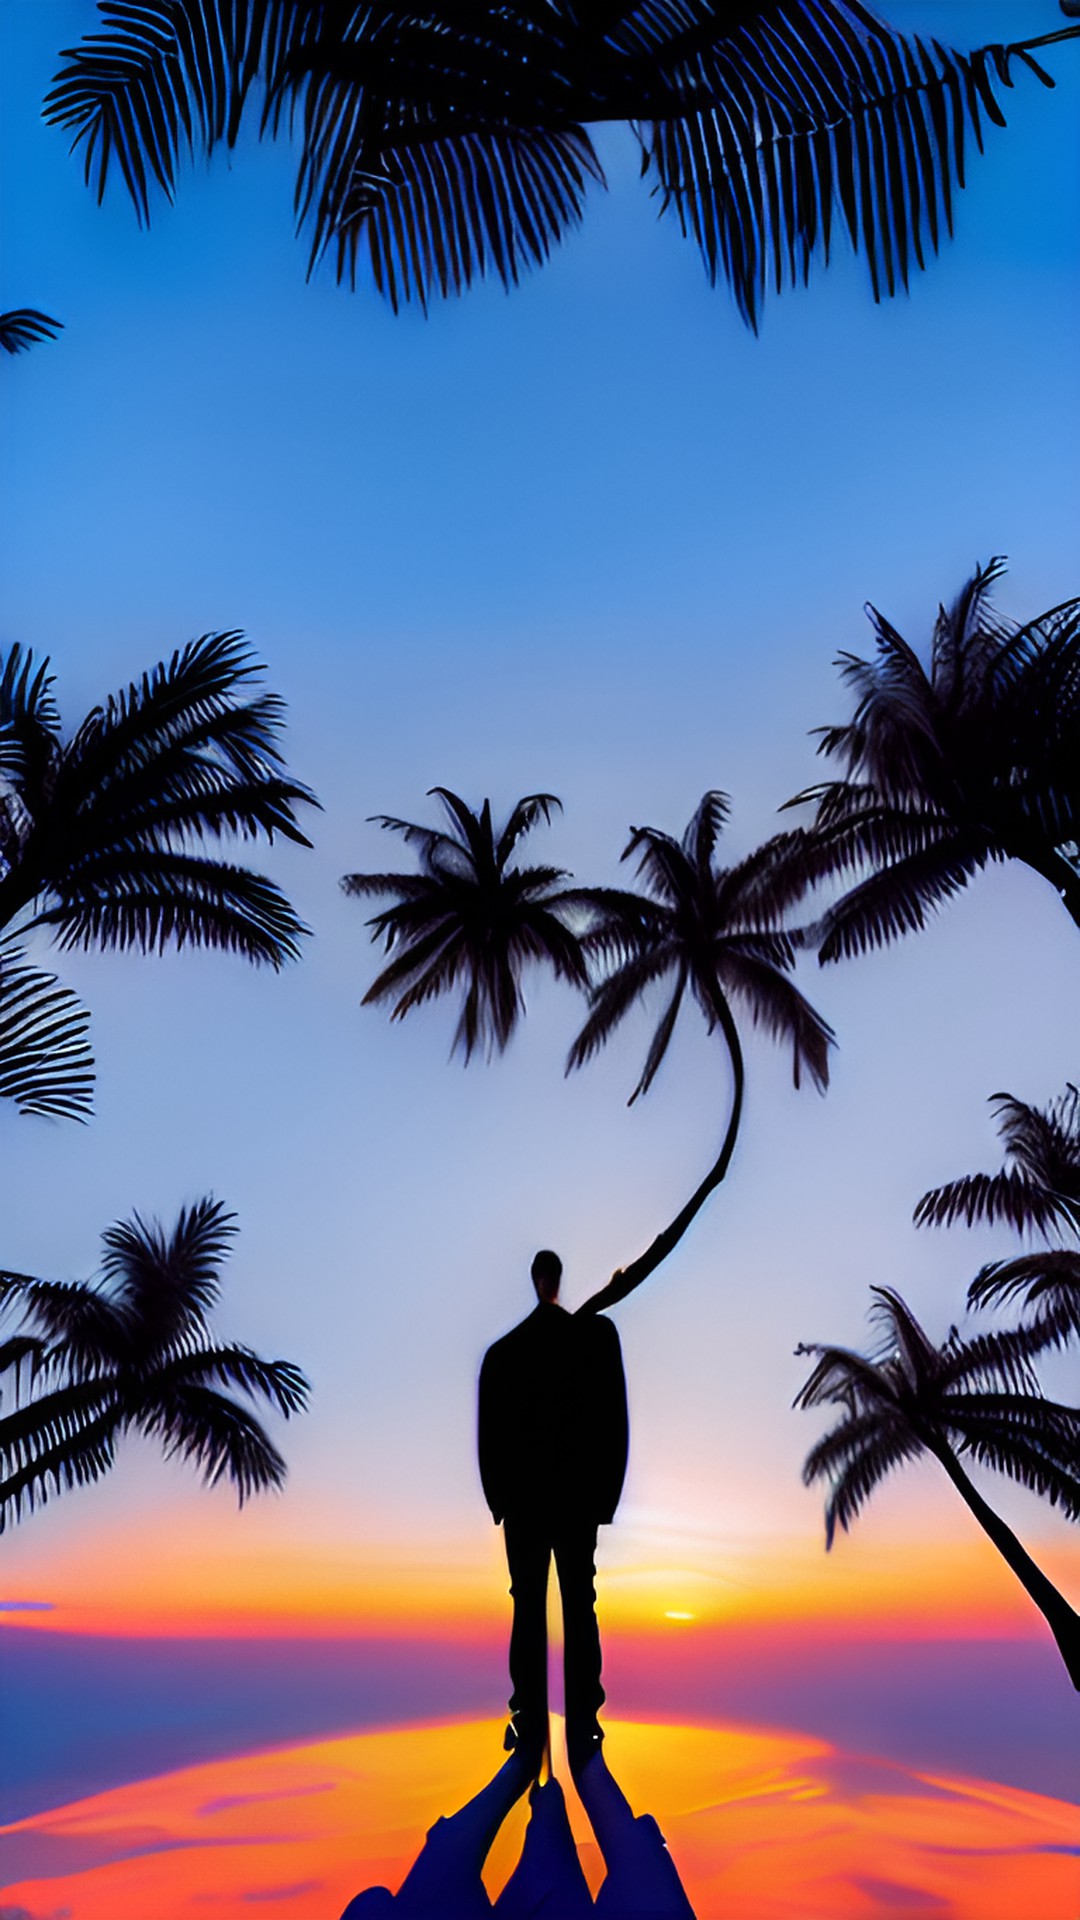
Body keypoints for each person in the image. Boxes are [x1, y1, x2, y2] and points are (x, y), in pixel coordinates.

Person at [478, 1249, 629, 1775]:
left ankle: (530, 1719)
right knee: (577, 1603)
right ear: (558, 1280)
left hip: (527, 1503)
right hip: (573, 1501)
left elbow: (488, 1436)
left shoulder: (504, 1354)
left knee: (530, 1606)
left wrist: (499, 1499)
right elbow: (615, 1421)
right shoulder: (592, 1342)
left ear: (536, 1279)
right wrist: (603, 1498)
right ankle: (581, 1718)